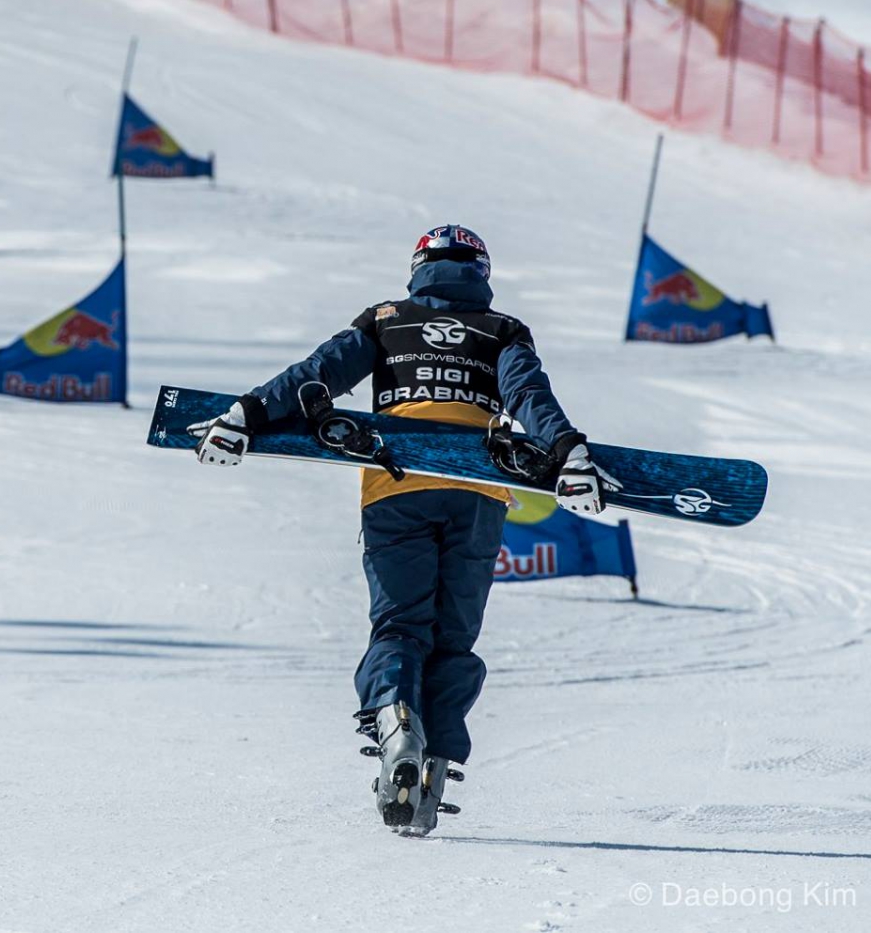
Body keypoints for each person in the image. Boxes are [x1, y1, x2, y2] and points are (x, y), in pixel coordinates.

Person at [188, 225, 607, 836]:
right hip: (477, 493)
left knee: (400, 623)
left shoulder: (385, 321)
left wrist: (243, 416)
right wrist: (568, 453)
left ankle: (395, 721)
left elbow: (317, 373)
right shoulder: (503, 331)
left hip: (395, 487)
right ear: (482, 272)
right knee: (453, 637)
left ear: (418, 267)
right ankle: (432, 770)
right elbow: (528, 395)